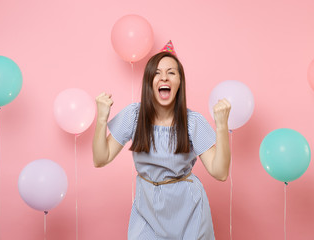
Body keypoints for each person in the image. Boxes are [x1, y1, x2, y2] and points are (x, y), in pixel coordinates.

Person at [92, 42, 231, 239]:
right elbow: (100, 158)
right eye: (157, 73)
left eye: (171, 73)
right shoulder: (134, 115)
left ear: (180, 82)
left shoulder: (192, 122)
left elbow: (220, 172)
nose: (164, 77)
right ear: (149, 81)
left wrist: (222, 126)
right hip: (147, 211)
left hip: (189, 211)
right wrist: (101, 119)